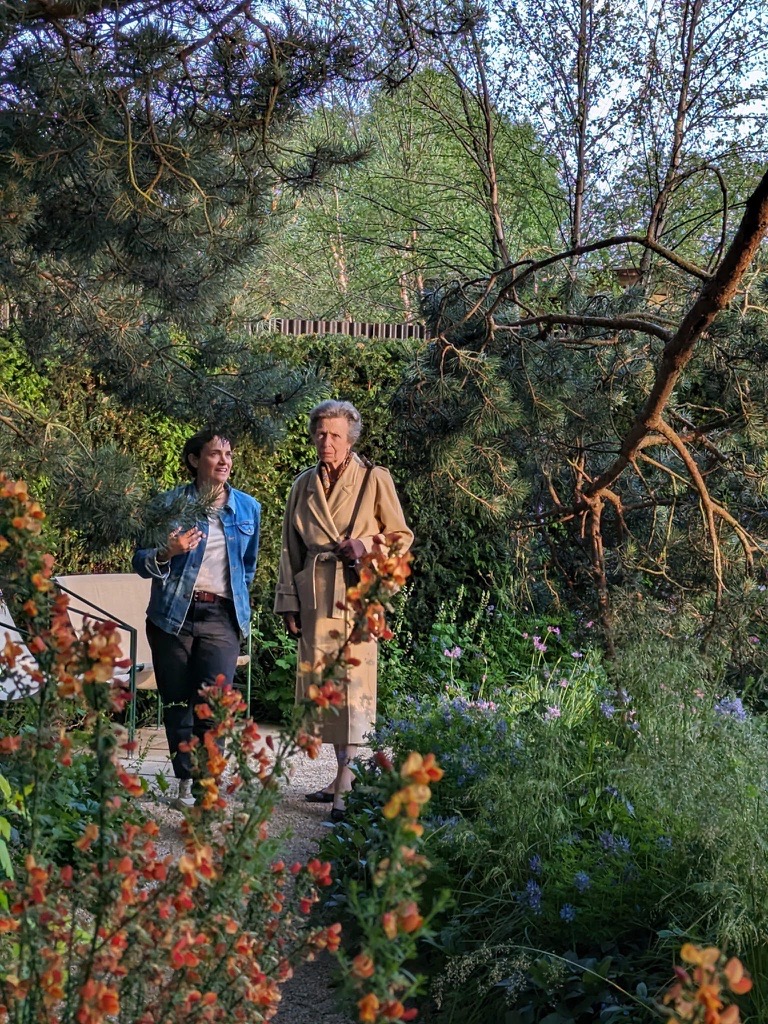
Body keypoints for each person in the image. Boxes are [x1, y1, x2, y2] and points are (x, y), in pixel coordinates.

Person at [275, 400, 413, 821]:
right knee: (323, 690)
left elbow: (402, 536)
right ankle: (340, 776)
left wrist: (368, 546)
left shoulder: (375, 478)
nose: (326, 442)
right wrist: (287, 602)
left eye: (335, 435)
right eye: (320, 433)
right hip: (315, 594)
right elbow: (289, 548)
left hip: (358, 596)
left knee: (352, 687)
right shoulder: (302, 485)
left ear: (350, 439)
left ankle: (346, 783)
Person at [133, 428, 260, 809]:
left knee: (215, 704)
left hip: (222, 616)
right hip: (172, 617)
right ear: (194, 460)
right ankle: (186, 777)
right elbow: (140, 561)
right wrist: (167, 552)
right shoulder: (167, 505)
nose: (225, 461)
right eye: (215, 453)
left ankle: (208, 787)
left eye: (229, 454)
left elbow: (247, 567)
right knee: (177, 704)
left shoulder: (248, 508)